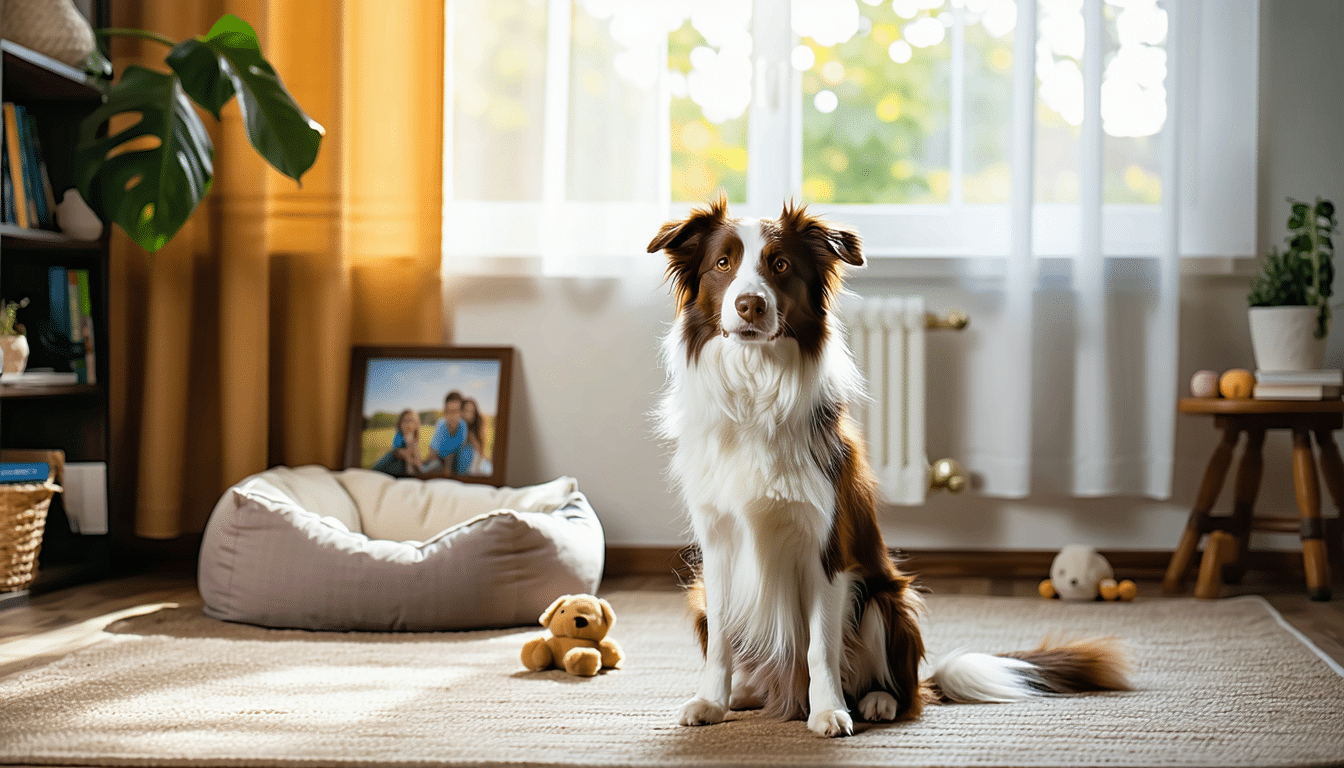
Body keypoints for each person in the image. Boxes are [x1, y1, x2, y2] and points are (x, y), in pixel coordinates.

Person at [422, 391, 474, 476]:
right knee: (433, 466)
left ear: (461, 412)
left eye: (455, 411)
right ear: (445, 412)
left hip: (455, 459)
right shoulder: (441, 424)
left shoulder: (463, 425)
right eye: (448, 411)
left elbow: (459, 448)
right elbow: (433, 452)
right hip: (440, 459)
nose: (451, 416)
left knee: (467, 452)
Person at [371, 408, 423, 477]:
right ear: (400, 423)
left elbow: (416, 454)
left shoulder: (414, 438)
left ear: (417, 424)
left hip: (406, 465)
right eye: (405, 421)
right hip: (395, 460)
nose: (408, 424)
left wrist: (416, 461)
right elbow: (398, 451)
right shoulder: (399, 436)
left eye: (412, 421)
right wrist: (410, 457)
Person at [461, 398, 489, 475]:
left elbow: (480, 453)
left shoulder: (473, 433)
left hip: (475, 470)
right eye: (466, 410)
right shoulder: (458, 428)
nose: (468, 415)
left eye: (471, 412)